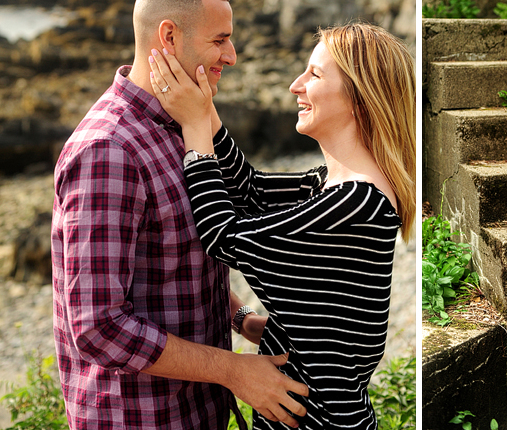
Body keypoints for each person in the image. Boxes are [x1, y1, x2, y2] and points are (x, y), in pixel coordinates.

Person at [52, 0, 309, 430]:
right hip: (138, 418)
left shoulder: (184, 125)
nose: (231, 56)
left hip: (195, 412)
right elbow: (97, 327)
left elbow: (173, 267)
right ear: (168, 37)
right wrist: (234, 371)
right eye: (220, 40)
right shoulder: (109, 149)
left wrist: (242, 318)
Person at [148, 21, 416, 430]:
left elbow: (224, 235)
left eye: (315, 74)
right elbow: (251, 191)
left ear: (360, 100)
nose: (296, 85)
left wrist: (195, 131)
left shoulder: (356, 203)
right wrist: (205, 109)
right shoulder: (331, 185)